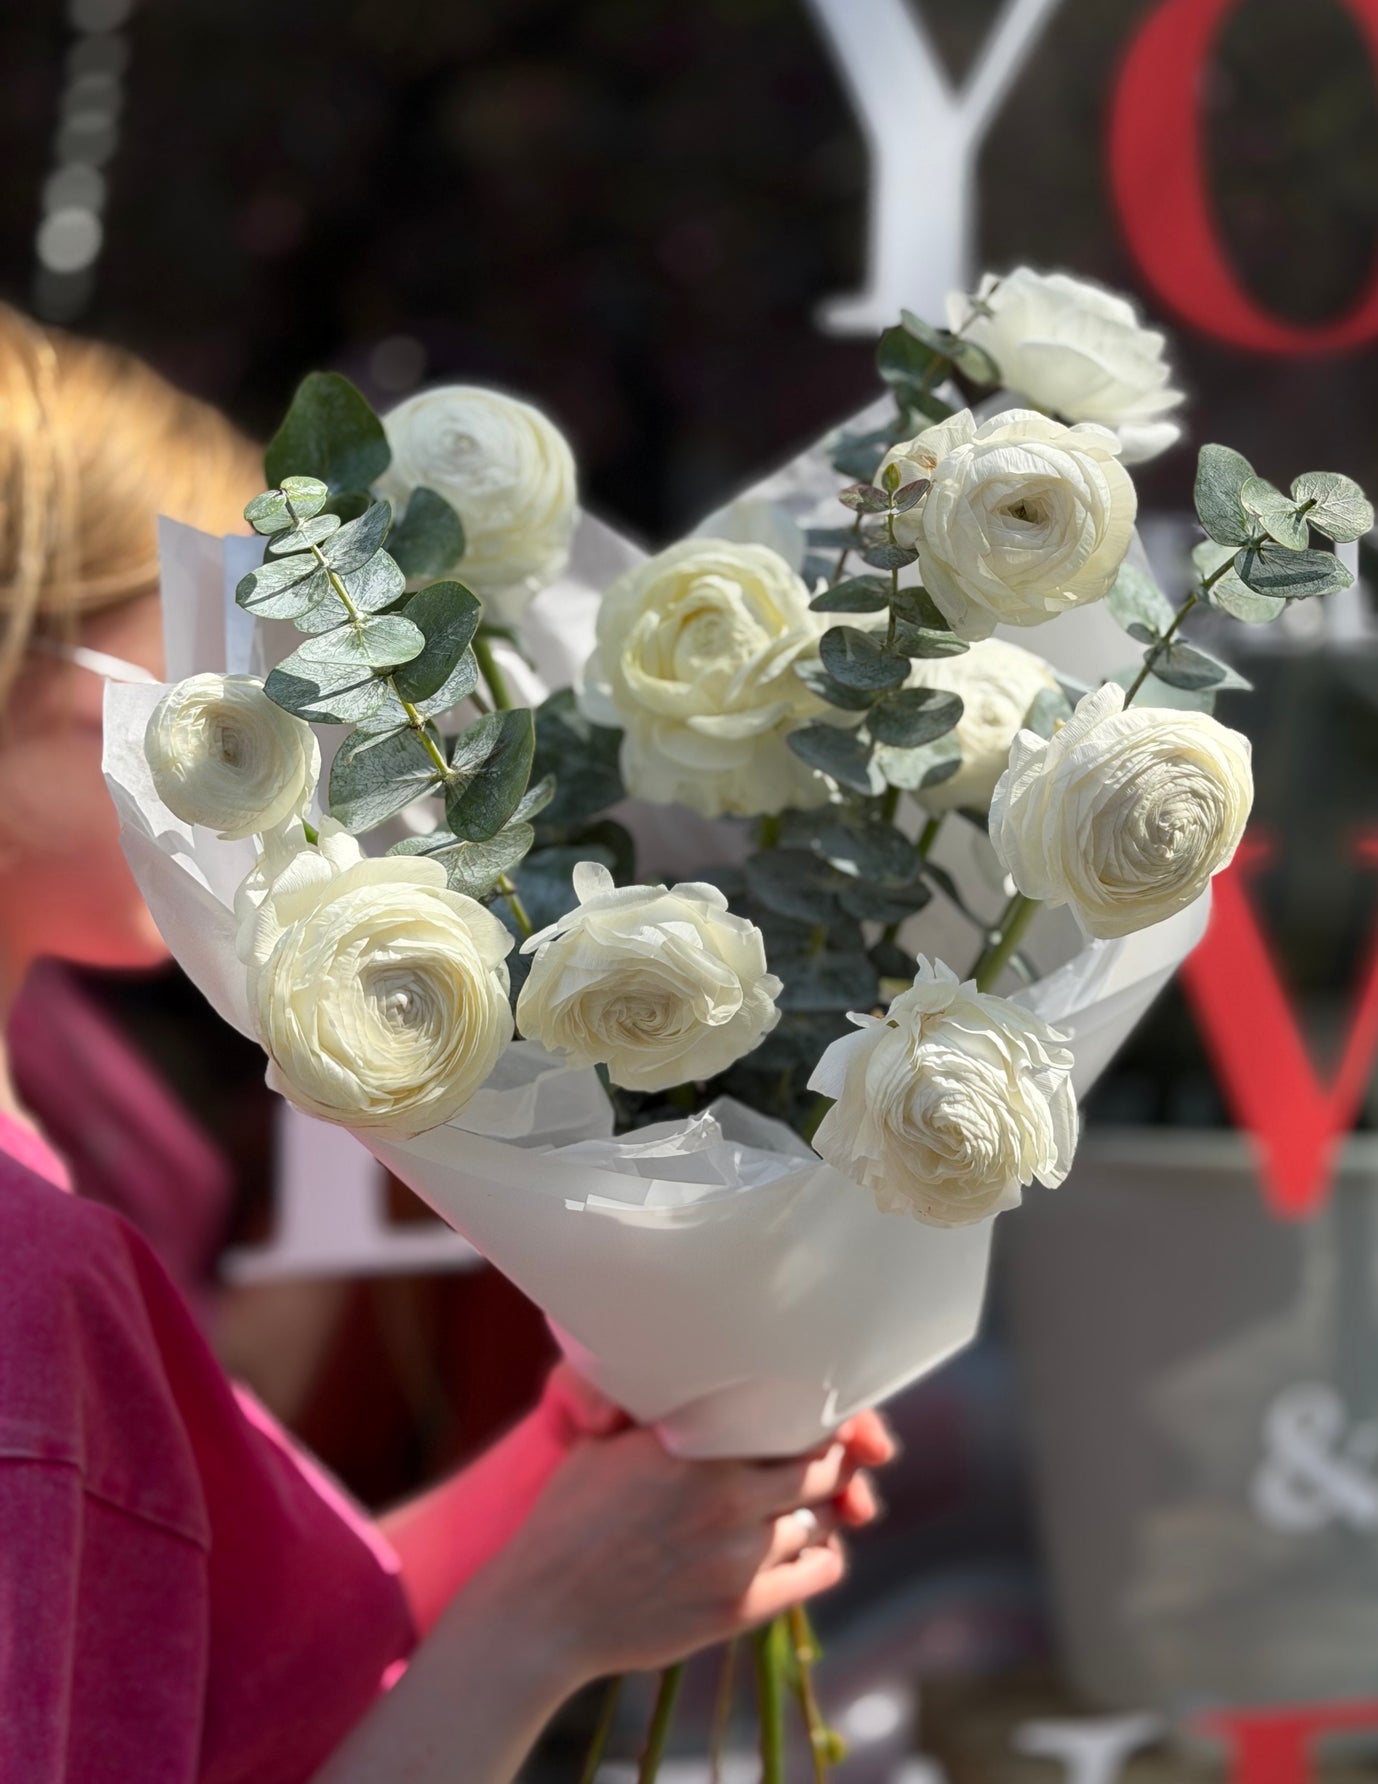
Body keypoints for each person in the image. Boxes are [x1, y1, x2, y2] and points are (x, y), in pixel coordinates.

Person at [0, 308, 893, 1783]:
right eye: (212, 628)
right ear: (30, 682)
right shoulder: (24, 1275)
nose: (277, 699)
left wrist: (568, 1463)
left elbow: (216, 1661)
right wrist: (541, 1625)